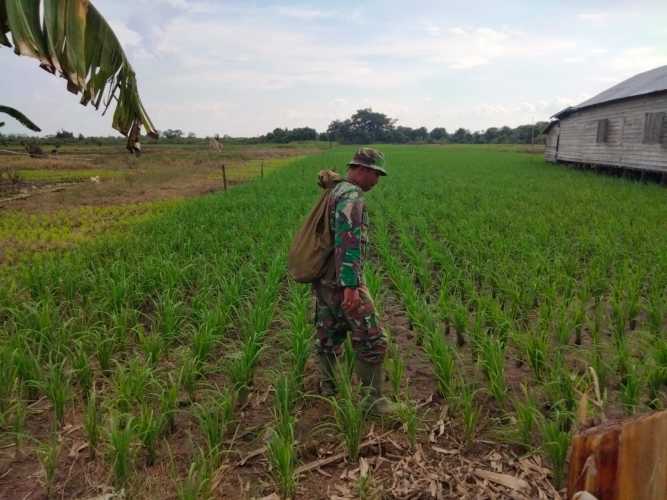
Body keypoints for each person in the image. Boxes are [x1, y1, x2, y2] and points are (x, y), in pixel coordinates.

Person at [313, 147, 396, 415]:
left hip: (325, 280)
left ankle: (329, 390)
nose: (377, 181)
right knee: (373, 339)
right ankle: (374, 402)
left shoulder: (335, 191)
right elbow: (347, 242)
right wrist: (350, 286)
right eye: (376, 175)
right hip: (342, 282)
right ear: (363, 170)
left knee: (329, 333)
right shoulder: (351, 196)